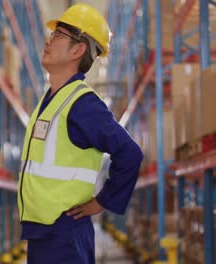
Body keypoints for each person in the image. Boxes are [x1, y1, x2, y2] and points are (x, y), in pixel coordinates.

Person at [17, 4, 144, 263]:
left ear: (77, 49)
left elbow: (130, 153)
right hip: (42, 231)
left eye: (58, 35)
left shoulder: (83, 104)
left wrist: (103, 201)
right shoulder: (51, 99)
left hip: (64, 233)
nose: (48, 40)